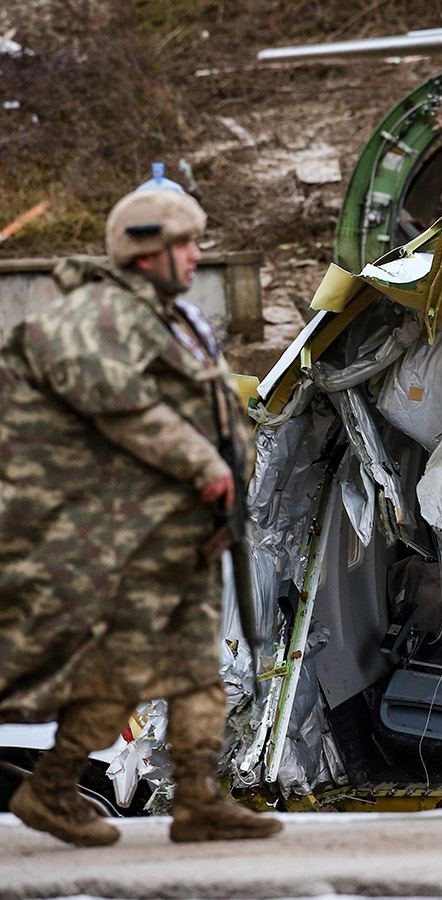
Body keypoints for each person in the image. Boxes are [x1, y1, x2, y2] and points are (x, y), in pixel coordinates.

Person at [0, 176, 282, 845]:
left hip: (172, 528)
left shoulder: (171, 317)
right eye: (183, 244)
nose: (194, 256)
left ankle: (197, 798)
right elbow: (119, 405)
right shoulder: (101, 313)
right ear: (144, 251)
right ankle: (50, 788)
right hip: (113, 532)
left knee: (191, 668)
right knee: (127, 668)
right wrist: (204, 467)